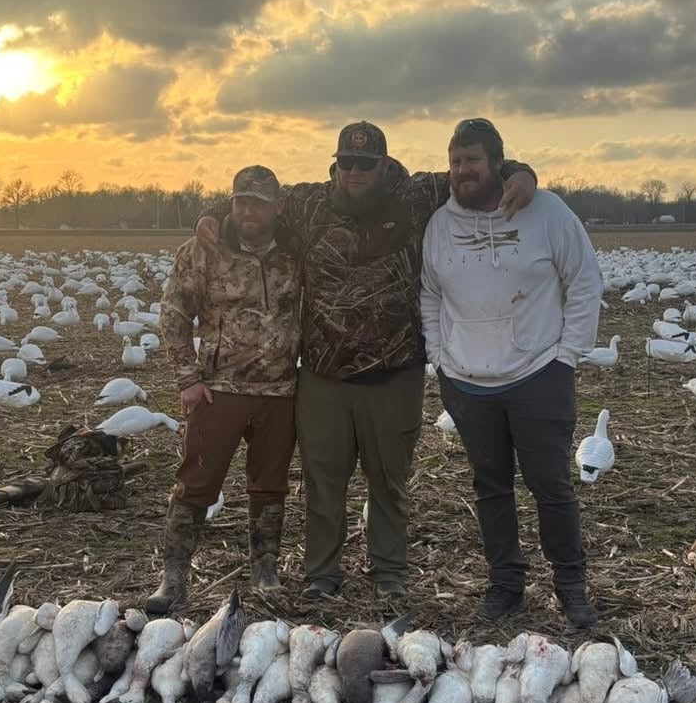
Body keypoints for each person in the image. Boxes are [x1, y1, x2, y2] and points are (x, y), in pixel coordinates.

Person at [199, 123, 536, 602]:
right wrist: (211, 215)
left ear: (383, 165)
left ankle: (388, 573)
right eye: (345, 163)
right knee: (323, 482)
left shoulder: (416, 195)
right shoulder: (310, 202)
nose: (353, 172)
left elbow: (474, 175)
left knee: (389, 482)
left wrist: (523, 174)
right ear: (335, 164)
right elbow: (257, 201)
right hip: (323, 375)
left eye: (364, 164)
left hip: (394, 372)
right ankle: (322, 575)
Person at [420, 117, 603, 627]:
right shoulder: (440, 224)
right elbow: (431, 293)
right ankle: (505, 585)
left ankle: (571, 586)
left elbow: (585, 280)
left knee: (551, 485)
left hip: (539, 372)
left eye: (473, 161)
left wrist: (568, 355)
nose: (462, 171)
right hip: (467, 382)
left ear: (498, 163)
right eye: (455, 162)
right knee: (490, 487)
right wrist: (440, 356)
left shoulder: (547, 212)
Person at [149, 165, 300, 616]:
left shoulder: (296, 251)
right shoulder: (202, 250)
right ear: (229, 203)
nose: (248, 210)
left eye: (257, 202)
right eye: (239, 201)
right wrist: (188, 379)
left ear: (276, 206)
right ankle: (173, 577)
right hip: (219, 389)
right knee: (196, 482)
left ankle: (265, 568)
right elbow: (173, 313)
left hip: (280, 390)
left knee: (270, 486)